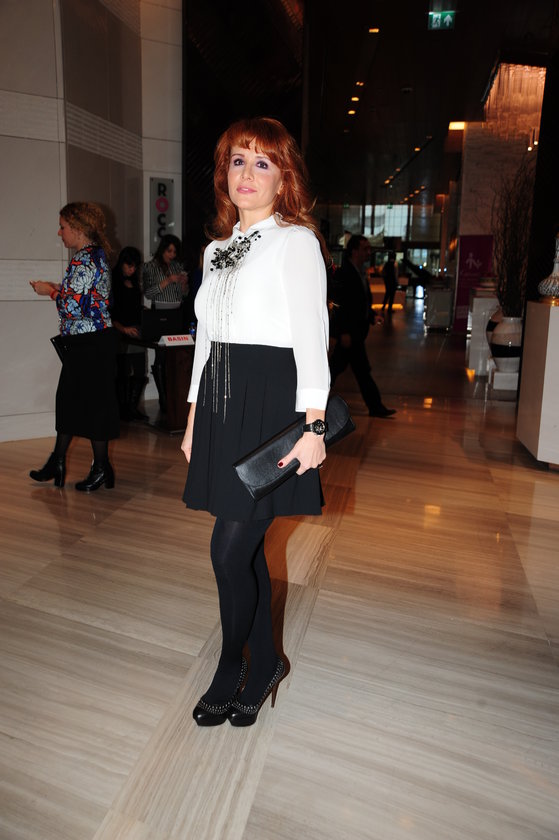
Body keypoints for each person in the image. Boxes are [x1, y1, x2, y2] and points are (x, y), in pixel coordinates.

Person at [181, 117, 330, 728]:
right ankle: (264, 660)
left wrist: (315, 427)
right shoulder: (216, 250)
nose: (247, 173)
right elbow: (206, 341)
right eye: (237, 161)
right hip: (221, 404)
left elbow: (312, 336)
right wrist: (193, 419)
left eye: (262, 162)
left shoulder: (295, 242)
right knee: (242, 548)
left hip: (271, 404)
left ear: (283, 178)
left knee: (228, 550)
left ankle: (231, 665)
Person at [29, 202, 119, 490]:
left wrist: (49, 291)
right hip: (92, 342)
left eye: (63, 227)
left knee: (91, 407)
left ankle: (98, 468)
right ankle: (59, 462)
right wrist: (60, 290)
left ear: (78, 229)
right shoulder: (95, 255)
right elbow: (86, 299)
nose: (60, 232)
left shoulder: (83, 260)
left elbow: (72, 307)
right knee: (72, 403)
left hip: (88, 344)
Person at [329, 235, 396, 418]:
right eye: (365, 249)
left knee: (346, 369)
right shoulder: (345, 273)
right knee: (355, 370)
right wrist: (342, 332)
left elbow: (360, 303)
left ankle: (376, 407)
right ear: (354, 251)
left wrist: (372, 316)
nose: (369, 252)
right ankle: (376, 407)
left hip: (355, 334)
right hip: (349, 335)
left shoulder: (359, 272)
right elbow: (341, 305)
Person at [142, 235, 189, 412]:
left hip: (176, 312)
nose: (172, 255)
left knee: (175, 353)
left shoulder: (177, 266)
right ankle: (163, 397)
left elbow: (184, 294)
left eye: (175, 252)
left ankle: (173, 396)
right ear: (162, 249)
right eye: (169, 251)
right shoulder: (150, 266)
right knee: (161, 353)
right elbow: (148, 293)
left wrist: (183, 285)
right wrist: (167, 281)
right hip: (160, 313)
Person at [110, 246, 148, 421]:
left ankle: (132, 408)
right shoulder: (112, 281)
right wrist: (123, 329)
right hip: (119, 332)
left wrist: (144, 312)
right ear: (122, 263)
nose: (132, 269)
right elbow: (109, 312)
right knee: (122, 373)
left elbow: (134, 306)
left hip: (135, 331)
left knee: (139, 370)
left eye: (134, 266)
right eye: (129, 265)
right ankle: (122, 410)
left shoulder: (134, 282)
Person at [381, 250, 398, 314]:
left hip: (387, 281)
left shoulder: (386, 264)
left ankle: (383, 306)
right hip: (393, 281)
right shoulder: (395, 264)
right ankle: (389, 308)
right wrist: (396, 281)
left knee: (387, 293)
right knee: (392, 295)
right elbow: (396, 274)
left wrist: (385, 279)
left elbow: (383, 272)